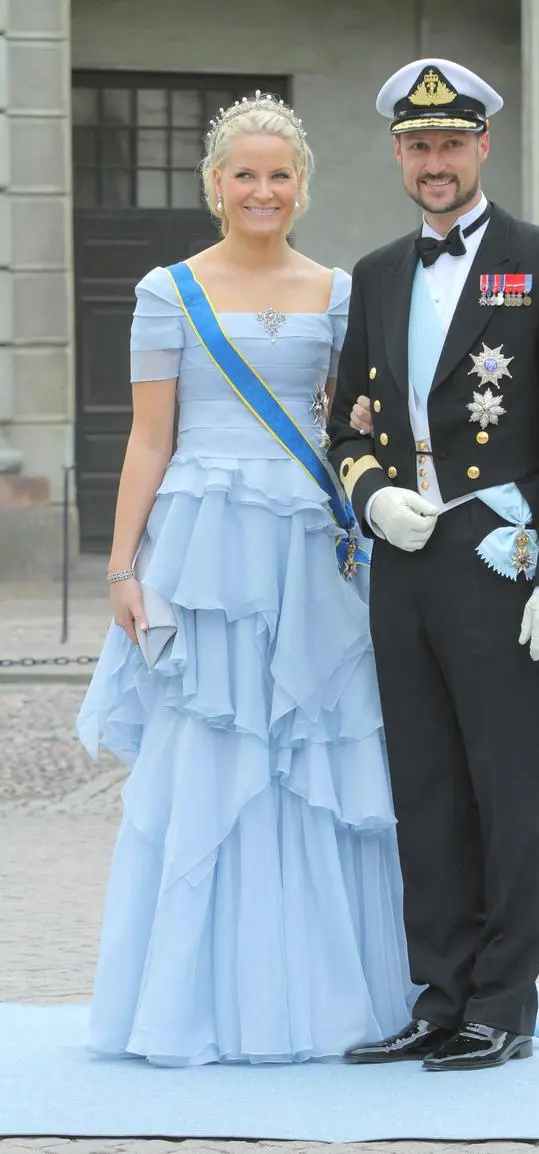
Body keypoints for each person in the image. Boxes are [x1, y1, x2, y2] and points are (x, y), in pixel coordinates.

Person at [76, 91, 414, 1066]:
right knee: (213, 755)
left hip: (309, 541)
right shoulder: (164, 291)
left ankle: (326, 996)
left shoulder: (337, 290)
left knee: (314, 754)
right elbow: (149, 438)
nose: (261, 189)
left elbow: (349, 425)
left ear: (300, 186)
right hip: (203, 548)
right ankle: (195, 1001)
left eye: (279, 174)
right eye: (244, 173)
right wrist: (119, 568)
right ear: (214, 185)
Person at [327, 58, 539, 1071]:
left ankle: (501, 1001)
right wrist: (370, 494)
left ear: (483, 145)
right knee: (427, 787)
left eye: (450, 143)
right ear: (399, 154)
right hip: (405, 558)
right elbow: (345, 423)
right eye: (417, 145)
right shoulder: (372, 274)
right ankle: (439, 993)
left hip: (502, 558)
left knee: (504, 787)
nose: (433, 161)